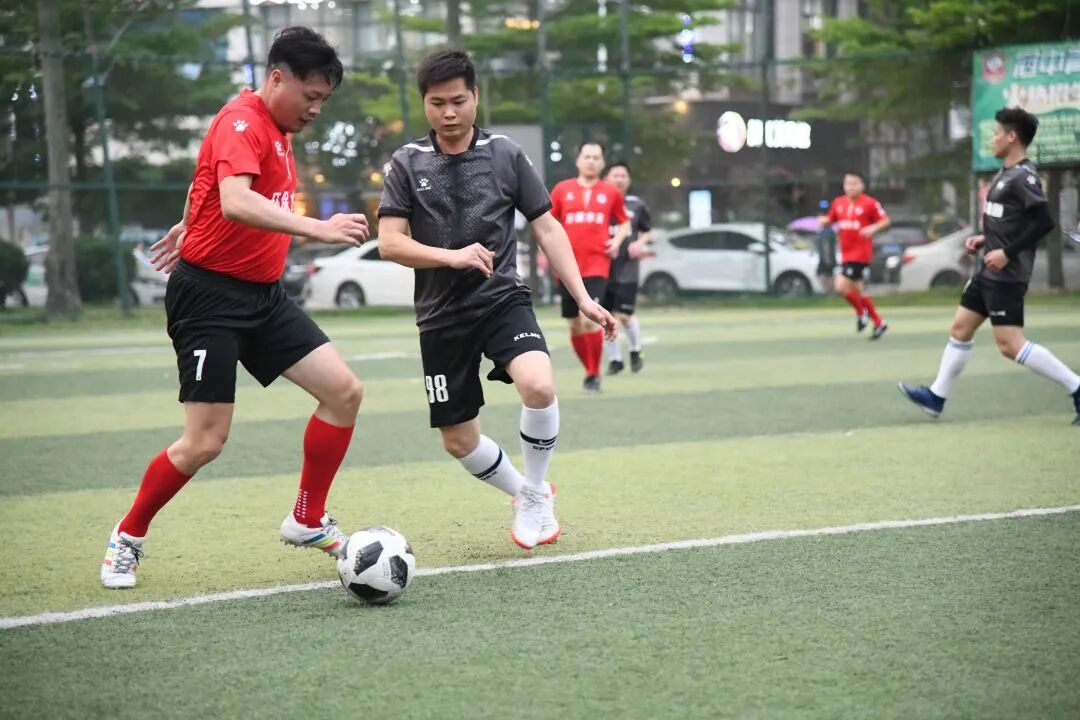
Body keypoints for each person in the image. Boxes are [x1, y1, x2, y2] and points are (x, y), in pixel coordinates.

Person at [100, 27, 370, 589]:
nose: (316, 109)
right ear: (277, 78)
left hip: (264, 296)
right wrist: (318, 228)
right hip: (209, 300)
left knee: (344, 392)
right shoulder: (243, 120)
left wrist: (190, 219)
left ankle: (307, 518)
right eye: (310, 96)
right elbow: (237, 199)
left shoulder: (278, 129)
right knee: (205, 441)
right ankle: (127, 536)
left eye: (323, 99)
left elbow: (211, 182)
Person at [377, 49, 617, 550]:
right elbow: (390, 243)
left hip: (501, 299)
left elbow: (547, 227)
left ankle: (535, 492)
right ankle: (528, 492)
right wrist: (452, 257)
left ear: (475, 96)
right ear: (424, 103)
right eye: (437, 103)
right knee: (458, 440)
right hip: (440, 317)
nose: (449, 113)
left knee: (539, 386)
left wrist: (583, 297)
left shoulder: (505, 153)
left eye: (458, 101)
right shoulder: (406, 162)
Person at [900, 107, 1080, 425]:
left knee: (1010, 345)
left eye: (997, 133)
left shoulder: (1023, 177)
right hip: (988, 271)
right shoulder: (1005, 173)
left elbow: (1043, 223)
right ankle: (936, 397)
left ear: (1012, 137)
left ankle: (1077, 387)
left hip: (1007, 275)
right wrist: (985, 239)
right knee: (960, 329)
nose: (992, 139)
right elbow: (1012, 221)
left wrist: (1007, 252)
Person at [550, 142, 631, 392]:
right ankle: (589, 370)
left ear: (602, 163)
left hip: (597, 264)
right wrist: (549, 252)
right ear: (578, 160)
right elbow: (548, 223)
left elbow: (625, 222)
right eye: (587, 157)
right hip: (567, 266)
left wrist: (616, 241)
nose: (591, 161)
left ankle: (594, 374)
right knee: (574, 324)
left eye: (596, 157)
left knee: (589, 320)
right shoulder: (562, 190)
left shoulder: (611, 192)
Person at [820, 172, 891, 339]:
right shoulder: (838, 202)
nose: (850, 187)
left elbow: (885, 221)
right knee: (858, 291)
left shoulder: (870, 203)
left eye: (854, 184)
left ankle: (862, 314)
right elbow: (831, 219)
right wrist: (824, 221)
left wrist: (873, 228)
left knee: (840, 286)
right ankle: (879, 322)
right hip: (846, 253)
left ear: (862, 186)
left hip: (860, 254)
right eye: (847, 184)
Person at [600, 162, 652, 375]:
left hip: (627, 269)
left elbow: (647, 230)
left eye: (623, 176)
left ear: (628, 180)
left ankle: (635, 350)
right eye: (615, 175)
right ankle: (615, 360)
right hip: (602, 269)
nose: (619, 179)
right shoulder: (598, 202)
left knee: (623, 315)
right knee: (605, 318)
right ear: (606, 178)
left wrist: (639, 243)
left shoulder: (636, 205)